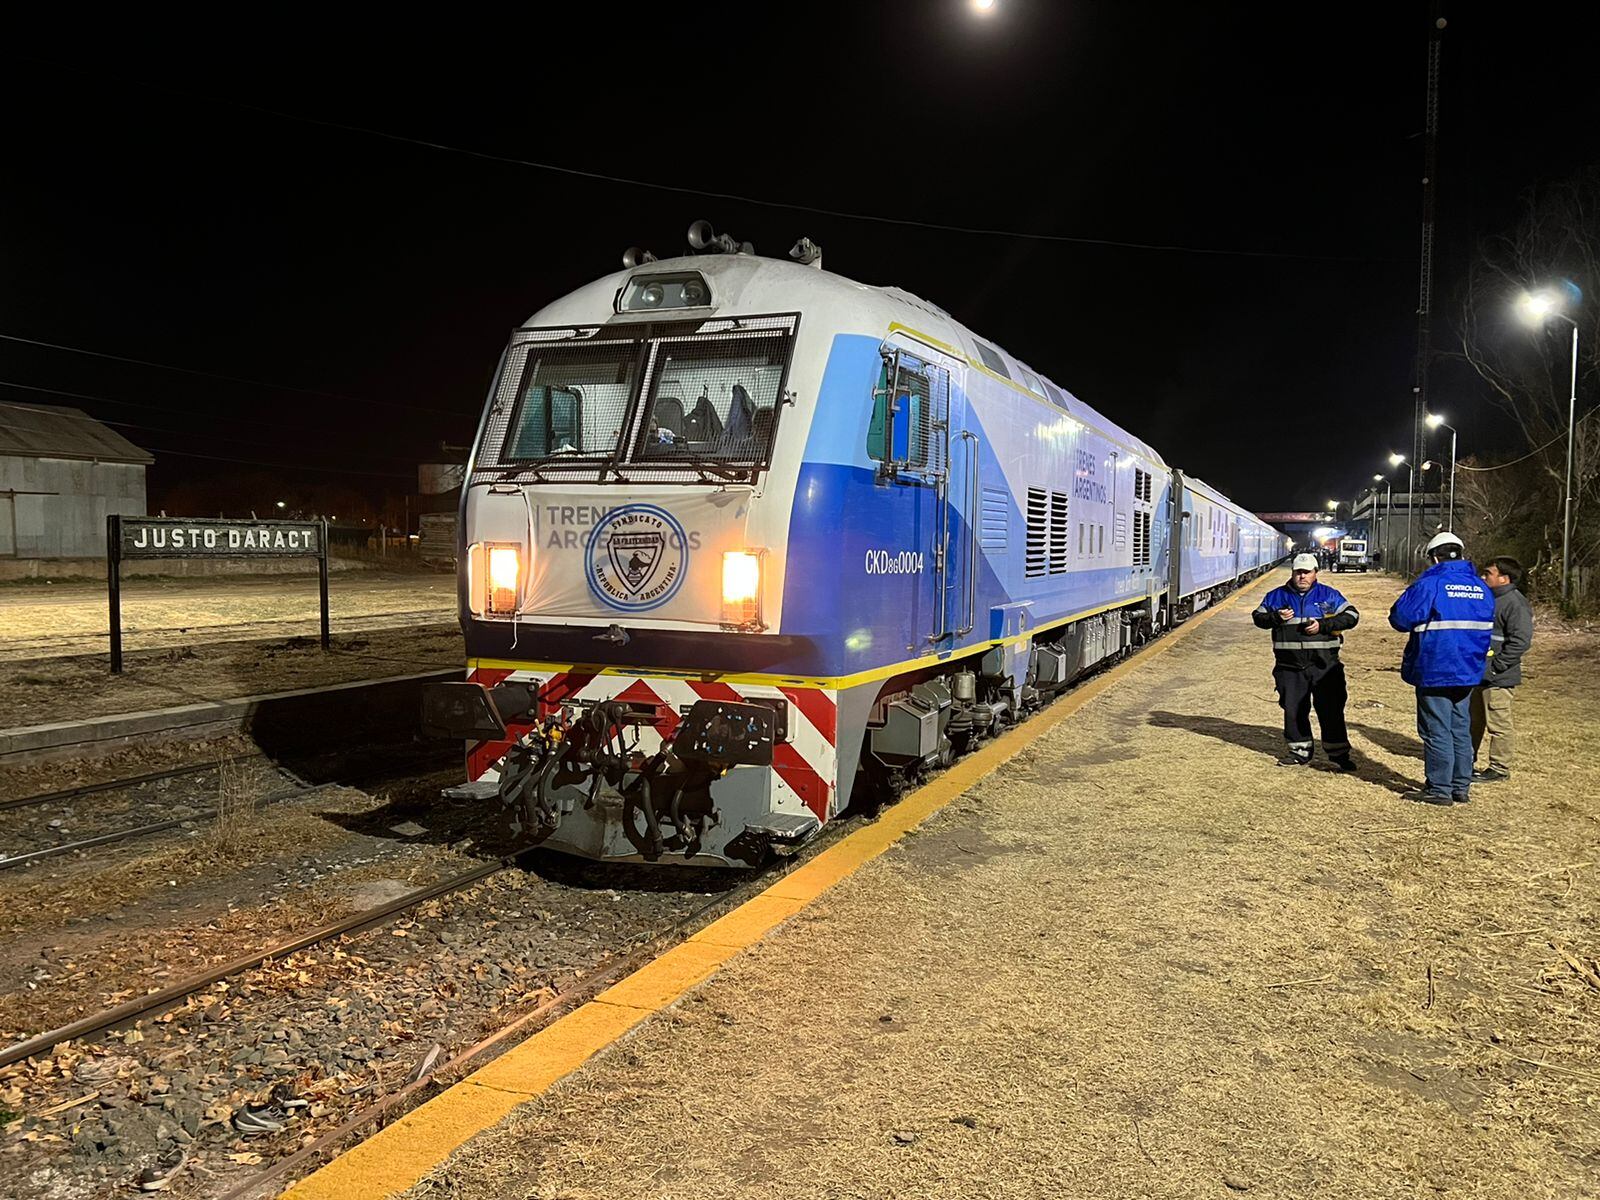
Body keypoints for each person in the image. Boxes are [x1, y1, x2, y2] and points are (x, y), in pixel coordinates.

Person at [1387, 531, 1495, 805]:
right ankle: (1461, 786)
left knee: (1436, 729)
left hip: (1435, 667)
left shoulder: (1431, 584)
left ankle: (1439, 788)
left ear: (1434, 557)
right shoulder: (1481, 587)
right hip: (1469, 669)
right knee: (1460, 727)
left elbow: (1400, 618)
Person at [1252, 552, 1360, 768]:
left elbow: (1352, 616)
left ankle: (1339, 755)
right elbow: (1258, 618)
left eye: (1306, 572)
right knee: (1293, 710)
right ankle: (1299, 752)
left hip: (1325, 666)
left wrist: (1323, 625)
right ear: (1292, 573)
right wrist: (1275, 617)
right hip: (1289, 667)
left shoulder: (1329, 596)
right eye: (1298, 572)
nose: (1302, 577)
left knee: (1331, 709)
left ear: (1315, 573)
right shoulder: (1276, 596)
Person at [1471, 556, 1533, 783]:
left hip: (1498, 677)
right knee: (1473, 720)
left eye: (1489, 573)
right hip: (1479, 673)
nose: (1483, 577)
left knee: (1498, 723)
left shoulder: (1515, 603)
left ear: (1504, 578)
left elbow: (1521, 640)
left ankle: (1499, 767)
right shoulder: (1488, 599)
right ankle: (1466, 760)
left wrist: (1498, 667)